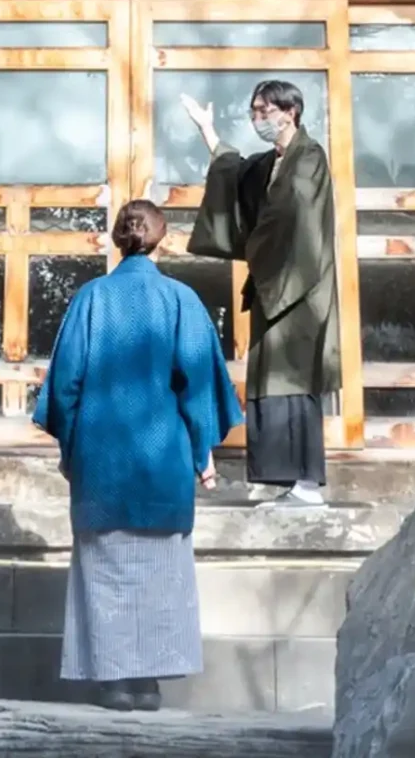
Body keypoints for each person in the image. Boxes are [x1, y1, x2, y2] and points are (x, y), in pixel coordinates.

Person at [34, 199, 243, 712]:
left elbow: (65, 387)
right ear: (162, 237)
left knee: (104, 572)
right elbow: (196, 388)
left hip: (101, 461)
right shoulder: (181, 300)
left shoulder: (91, 299)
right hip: (161, 460)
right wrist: (202, 454)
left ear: (116, 239)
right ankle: (148, 682)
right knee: (159, 574)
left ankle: (113, 681)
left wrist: (71, 449)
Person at [180, 79, 339, 506]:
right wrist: (207, 131)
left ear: (290, 112)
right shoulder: (271, 163)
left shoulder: (310, 158)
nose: (257, 119)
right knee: (271, 380)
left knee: (296, 379)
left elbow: (293, 214)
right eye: (253, 112)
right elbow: (233, 171)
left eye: (264, 111)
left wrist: (255, 248)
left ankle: (307, 484)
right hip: (276, 288)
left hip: (301, 291)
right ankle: (292, 482)